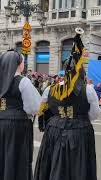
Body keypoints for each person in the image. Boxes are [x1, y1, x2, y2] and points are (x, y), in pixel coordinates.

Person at [34, 33, 100, 180]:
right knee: (78, 167)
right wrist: (80, 117)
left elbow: (43, 108)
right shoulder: (87, 89)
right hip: (79, 131)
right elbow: (95, 114)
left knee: (53, 163)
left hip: (54, 129)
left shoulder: (50, 88)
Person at [0, 50, 41, 180]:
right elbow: (34, 107)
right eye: (22, 62)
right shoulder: (23, 81)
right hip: (17, 125)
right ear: (18, 64)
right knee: (16, 158)